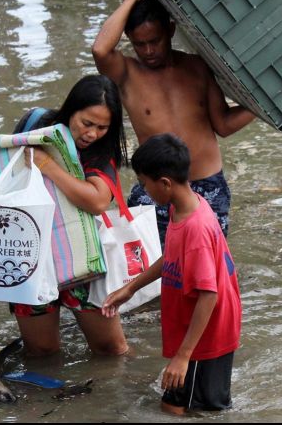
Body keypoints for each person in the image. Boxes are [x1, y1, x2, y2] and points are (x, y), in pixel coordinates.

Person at [92, 0, 256, 245]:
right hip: (157, 187)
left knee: (208, 266)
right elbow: (100, 49)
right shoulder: (127, 74)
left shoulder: (197, 66)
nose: (148, 51)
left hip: (207, 185)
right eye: (139, 44)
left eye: (154, 41)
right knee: (152, 271)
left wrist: (259, 106)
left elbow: (224, 125)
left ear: (170, 29)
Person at [102, 133, 241, 415]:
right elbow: (172, 258)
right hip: (195, 331)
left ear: (164, 183)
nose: (144, 190)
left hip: (208, 337)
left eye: (145, 183)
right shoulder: (182, 207)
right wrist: (131, 287)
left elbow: (208, 295)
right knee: (172, 407)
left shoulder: (197, 229)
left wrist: (183, 356)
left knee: (204, 411)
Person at [9, 74, 130, 357]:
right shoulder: (36, 124)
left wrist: (48, 166)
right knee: (41, 351)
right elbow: (6, 168)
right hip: (30, 255)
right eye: (86, 123)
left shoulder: (102, 148)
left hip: (81, 259)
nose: (92, 134)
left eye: (102, 127)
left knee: (111, 349)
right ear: (70, 110)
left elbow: (98, 201)